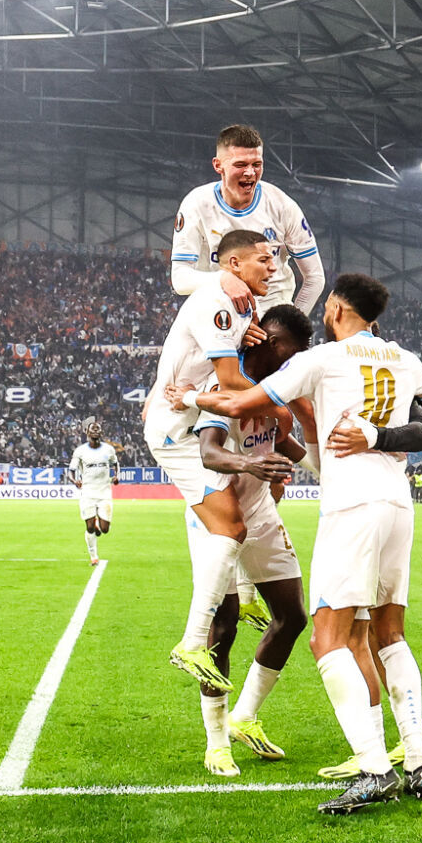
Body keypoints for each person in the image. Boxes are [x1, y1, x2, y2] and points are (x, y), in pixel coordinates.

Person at [192, 273, 422, 815]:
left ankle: (374, 769)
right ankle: (417, 758)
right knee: (389, 633)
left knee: (326, 639)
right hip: (398, 503)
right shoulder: (404, 357)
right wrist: (383, 428)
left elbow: (240, 405)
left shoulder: (323, 359)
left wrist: (187, 395)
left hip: (351, 506)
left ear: (333, 307)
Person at [147, 229, 286, 692]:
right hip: (177, 429)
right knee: (230, 527)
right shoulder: (217, 301)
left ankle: (244, 595)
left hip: (189, 416)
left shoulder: (239, 306)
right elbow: (229, 380)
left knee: (247, 509)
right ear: (233, 266)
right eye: (264, 260)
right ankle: (190, 643)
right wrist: (279, 400)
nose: (273, 267)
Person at [185, 304, 315, 776]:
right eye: (294, 353)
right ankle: (215, 741)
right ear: (276, 345)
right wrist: (250, 465)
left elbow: (290, 447)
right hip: (217, 519)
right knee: (224, 628)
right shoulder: (225, 387)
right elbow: (209, 452)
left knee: (292, 616)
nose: (295, 363)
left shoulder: (273, 396)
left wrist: (337, 470)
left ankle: (244, 716)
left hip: (260, 514)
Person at [171, 123, 324, 316]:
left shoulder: (283, 206)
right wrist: (223, 280)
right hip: (218, 314)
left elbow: (315, 278)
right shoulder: (197, 204)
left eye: (257, 164)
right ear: (218, 165)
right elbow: (180, 278)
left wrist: (290, 326)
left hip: (272, 317)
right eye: (241, 164)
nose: (250, 172)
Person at [67, 417, 118, 567]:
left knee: (105, 529)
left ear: (101, 433)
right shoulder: (80, 451)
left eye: (98, 429)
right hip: (88, 492)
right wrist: (74, 481)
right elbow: (71, 470)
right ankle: (93, 557)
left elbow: (115, 464)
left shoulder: (108, 449)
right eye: (92, 429)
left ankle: (98, 523)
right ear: (86, 432)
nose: (95, 431)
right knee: (89, 527)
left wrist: (116, 476)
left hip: (104, 493)